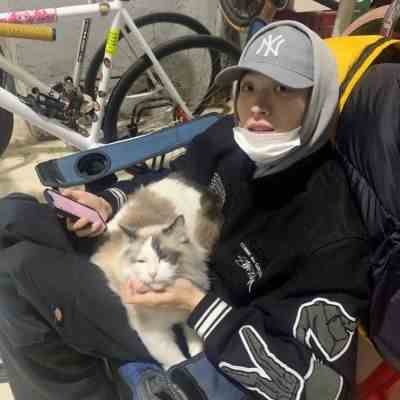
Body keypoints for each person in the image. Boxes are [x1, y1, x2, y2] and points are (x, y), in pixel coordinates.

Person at [0, 21, 369, 400]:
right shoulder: (230, 138)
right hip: (158, 259)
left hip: (198, 328)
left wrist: (193, 303)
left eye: (283, 89)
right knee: (11, 214)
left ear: (318, 102)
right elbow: (175, 178)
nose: (259, 105)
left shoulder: (331, 233)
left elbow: (323, 388)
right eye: (249, 87)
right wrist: (108, 201)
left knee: (17, 270)